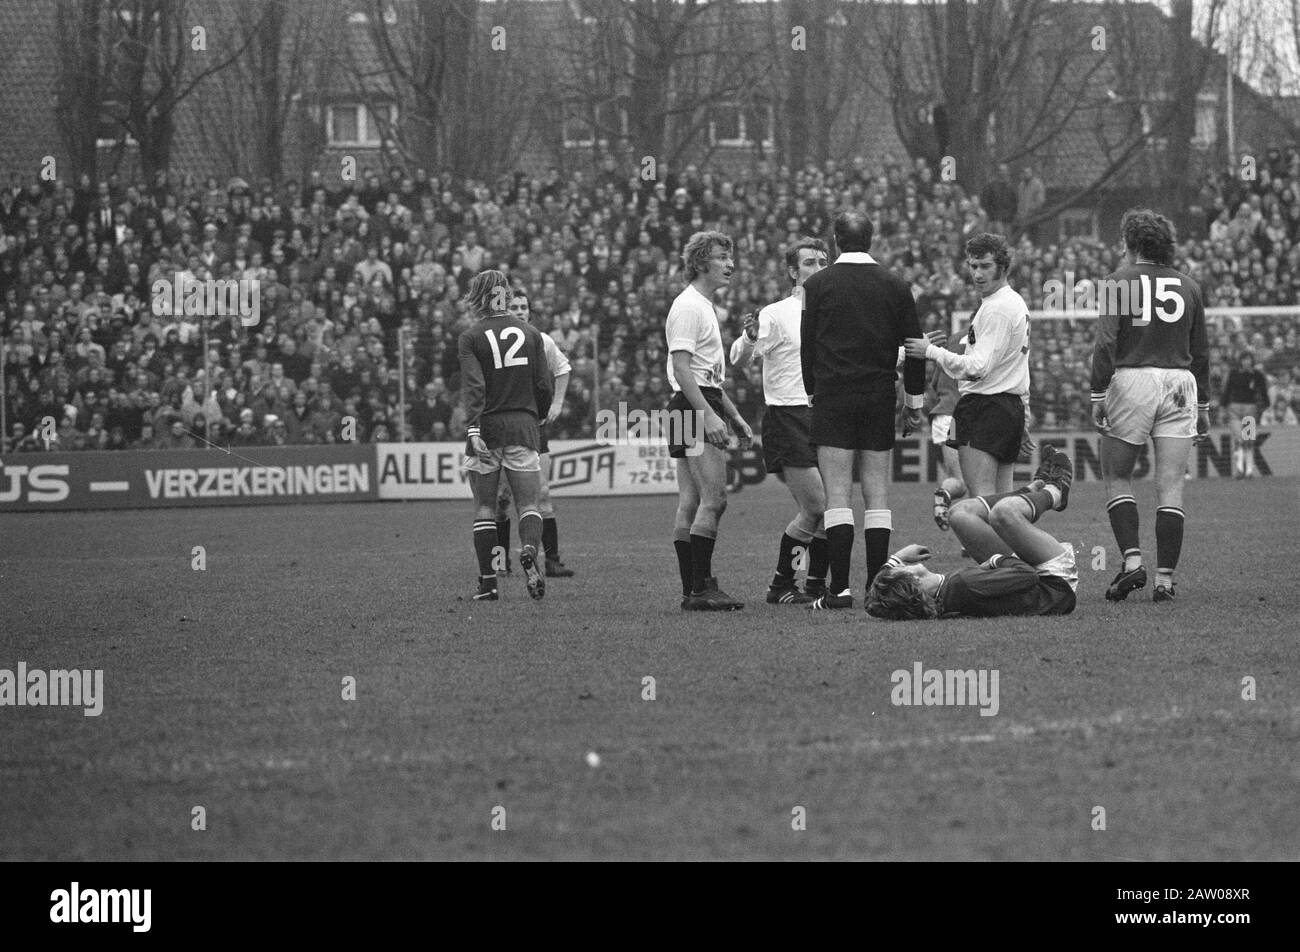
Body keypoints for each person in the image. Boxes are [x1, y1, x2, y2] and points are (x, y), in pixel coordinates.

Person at [801, 210, 928, 610]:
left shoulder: (817, 284)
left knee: (837, 493)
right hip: (877, 395)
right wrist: (913, 402)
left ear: (836, 241)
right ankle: (877, 587)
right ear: (871, 240)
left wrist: (811, 392)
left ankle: (839, 590)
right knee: (878, 494)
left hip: (834, 395)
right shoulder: (895, 285)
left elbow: (808, 345)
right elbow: (915, 347)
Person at [1090, 208, 1209, 603]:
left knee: (1117, 476)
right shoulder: (1189, 286)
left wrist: (1097, 392)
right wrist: (1204, 405)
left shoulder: (1117, 282)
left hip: (1133, 379)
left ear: (1132, 243)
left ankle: (1132, 562)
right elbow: (1201, 352)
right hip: (1180, 382)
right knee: (1171, 483)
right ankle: (1164, 580)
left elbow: (1106, 343)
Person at [730, 236, 830, 604]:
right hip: (788, 415)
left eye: (823, 262)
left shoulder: (834, 309)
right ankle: (781, 585)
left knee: (829, 507)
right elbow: (740, 358)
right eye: (809, 263)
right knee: (816, 507)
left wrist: (903, 354)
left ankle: (816, 584)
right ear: (793, 271)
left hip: (824, 414)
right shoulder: (776, 312)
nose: (818, 268)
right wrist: (749, 336)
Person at [865, 449, 1076, 619]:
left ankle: (1030, 492)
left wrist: (895, 559)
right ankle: (1055, 492)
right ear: (914, 580)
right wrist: (993, 561)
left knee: (958, 514)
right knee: (1003, 514)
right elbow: (1027, 575)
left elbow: (872, 602)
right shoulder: (962, 584)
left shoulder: (945, 593)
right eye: (901, 568)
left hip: (1033, 584)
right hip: (1054, 583)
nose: (903, 565)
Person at [904, 233, 1030, 500]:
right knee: (1002, 502)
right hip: (1003, 408)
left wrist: (930, 351)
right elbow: (1019, 368)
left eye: (985, 266)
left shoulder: (995, 309)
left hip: (980, 409)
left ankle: (976, 537)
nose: (978, 274)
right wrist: (1024, 416)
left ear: (1003, 267)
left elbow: (977, 368)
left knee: (979, 499)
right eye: (973, 266)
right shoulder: (1013, 302)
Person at [666, 230, 753, 611]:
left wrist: (733, 416)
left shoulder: (701, 305)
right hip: (693, 405)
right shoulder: (689, 307)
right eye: (721, 257)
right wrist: (709, 417)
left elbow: (707, 375)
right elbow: (683, 369)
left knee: (691, 499)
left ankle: (694, 588)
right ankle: (701, 588)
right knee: (714, 499)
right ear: (701, 262)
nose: (730, 264)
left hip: (695, 402)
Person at [458, 269, 554, 602]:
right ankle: (528, 549)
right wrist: (537, 417)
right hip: (523, 427)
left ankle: (489, 583)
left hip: (486, 428)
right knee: (529, 503)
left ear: (480, 296)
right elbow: (544, 385)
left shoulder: (471, 337)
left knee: (485, 507)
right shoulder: (531, 333)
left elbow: (475, 386)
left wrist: (472, 428)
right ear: (507, 296)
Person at [495, 289, 575, 578]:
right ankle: (499, 562)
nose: (519, 311)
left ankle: (551, 560)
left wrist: (557, 403)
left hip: (535, 426)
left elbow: (563, 369)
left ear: (530, 311)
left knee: (542, 493)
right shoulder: (496, 343)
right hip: (503, 427)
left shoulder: (542, 340)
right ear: (504, 310)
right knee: (501, 499)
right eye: (513, 306)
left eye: (523, 306)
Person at [925, 331, 968, 532]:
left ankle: (967, 538)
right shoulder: (985, 338)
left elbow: (934, 384)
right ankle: (944, 494)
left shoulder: (952, 340)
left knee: (957, 474)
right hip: (960, 418)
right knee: (969, 480)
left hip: (944, 417)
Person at [1219, 351, 1269, 478]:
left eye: (1249, 359)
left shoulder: (1257, 375)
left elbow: (1263, 392)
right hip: (1234, 408)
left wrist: (1264, 406)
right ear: (1240, 361)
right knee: (1239, 439)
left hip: (1250, 409)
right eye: (1244, 359)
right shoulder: (1233, 374)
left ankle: (1249, 470)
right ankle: (1240, 469)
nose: (1246, 362)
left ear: (1252, 361)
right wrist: (1223, 407)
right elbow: (1226, 391)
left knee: (1248, 440)